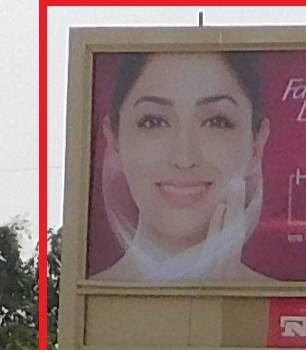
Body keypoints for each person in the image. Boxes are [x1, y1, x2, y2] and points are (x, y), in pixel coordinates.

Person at [87, 50, 268, 286]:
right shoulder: (83, 311)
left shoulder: (297, 312)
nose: (184, 158)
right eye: (154, 122)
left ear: (257, 144)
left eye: (216, 122)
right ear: (114, 140)